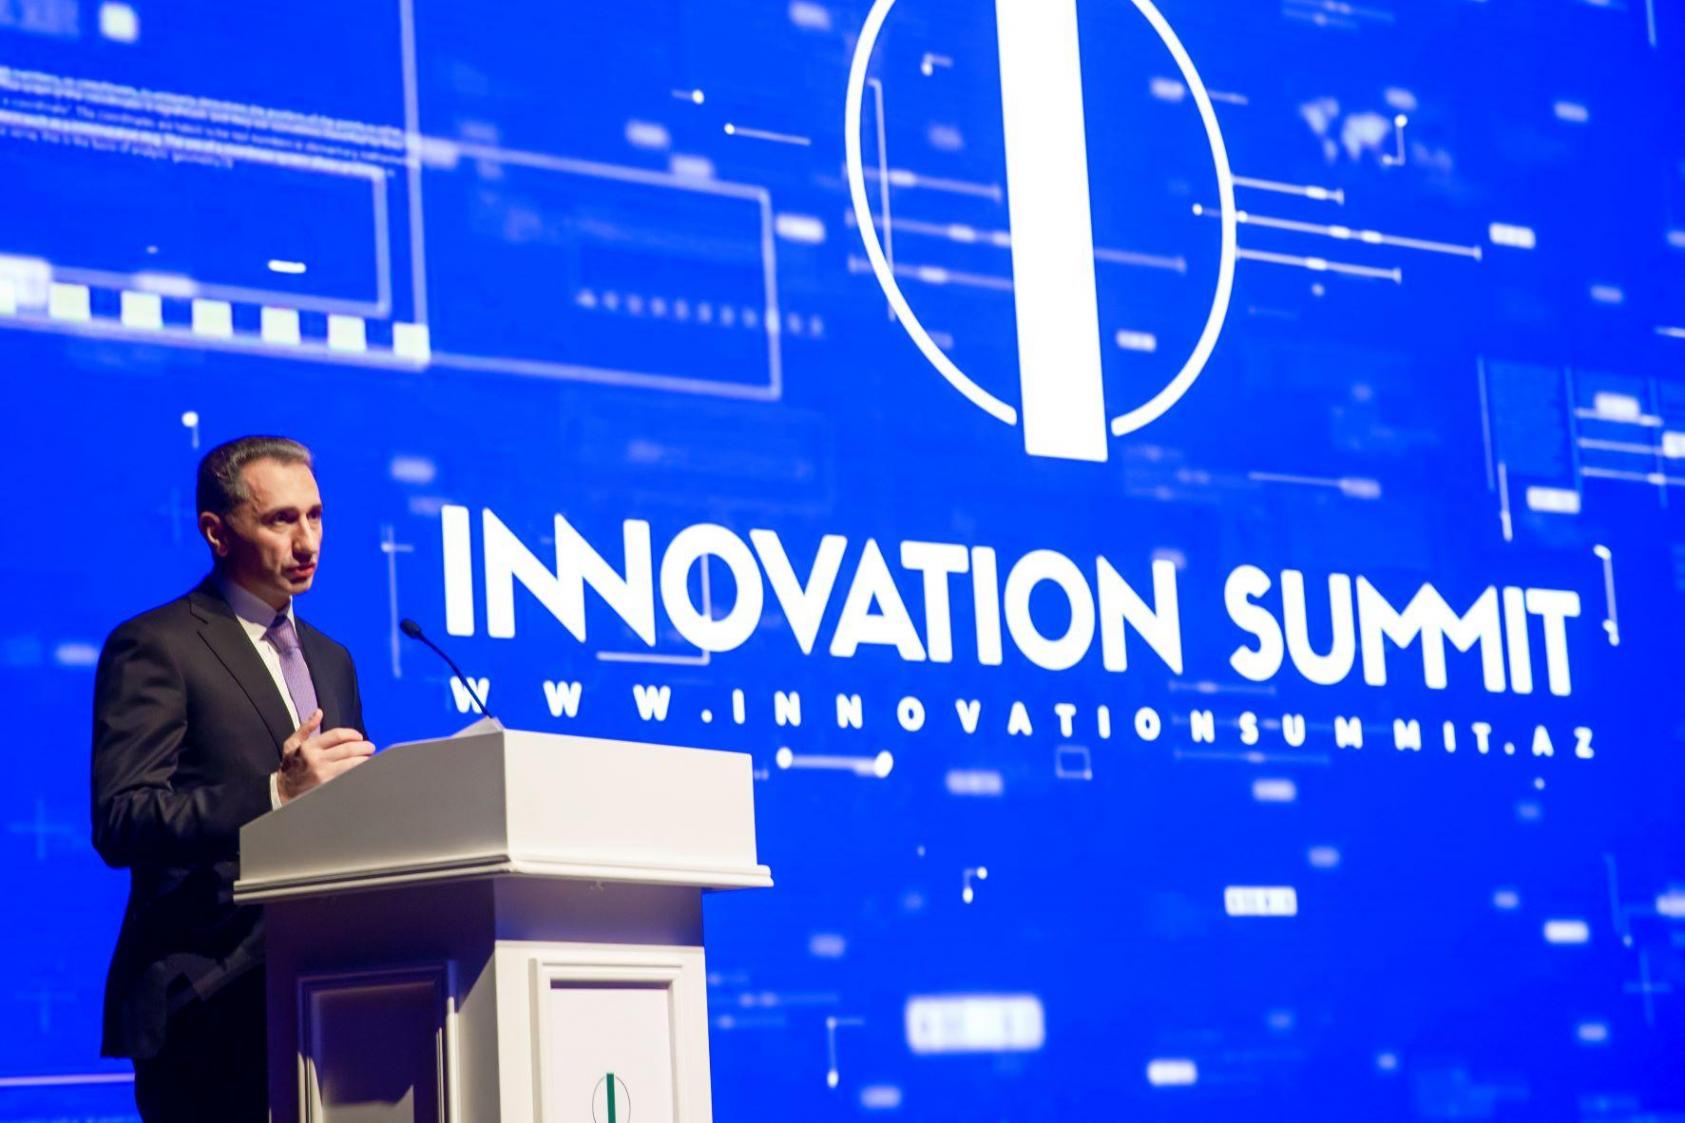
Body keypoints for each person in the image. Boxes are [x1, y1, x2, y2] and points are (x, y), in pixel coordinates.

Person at [90, 435, 373, 1121]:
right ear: (217, 532)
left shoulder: (331, 659)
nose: (306, 540)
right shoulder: (157, 645)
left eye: (315, 515)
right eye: (281, 519)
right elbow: (122, 818)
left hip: (326, 988)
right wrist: (276, 794)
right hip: (204, 1001)